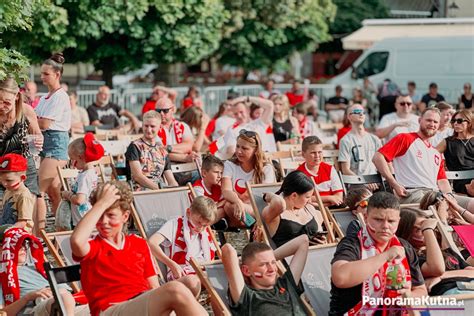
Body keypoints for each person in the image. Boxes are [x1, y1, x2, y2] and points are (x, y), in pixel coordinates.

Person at [70, 181, 208, 316]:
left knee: (188, 283)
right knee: (175, 289)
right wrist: (102, 204)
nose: (104, 221)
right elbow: (76, 241)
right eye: (99, 215)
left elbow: (154, 287)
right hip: (111, 308)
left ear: (125, 216)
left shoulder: (139, 244)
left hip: (141, 303)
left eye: (111, 215)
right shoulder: (92, 246)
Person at [329, 192, 427, 315]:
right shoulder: (352, 243)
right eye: (378, 220)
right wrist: (385, 256)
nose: (385, 226)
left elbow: (421, 290)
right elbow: (340, 277)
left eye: (391, 221)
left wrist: (407, 297)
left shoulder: (404, 247)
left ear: (398, 221)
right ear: (365, 218)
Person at [373, 107, 474, 213]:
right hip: (413, 193)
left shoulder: (435, 152)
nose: (432, 124)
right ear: (419, 120)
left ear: (439, 125)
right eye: (428, 120)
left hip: (435, 194)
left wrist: (450, 196)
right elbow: (378, 157)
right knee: (442, 205)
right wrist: (394, 184)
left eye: (435, 122)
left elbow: (442, 180)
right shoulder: (405, 138)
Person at [0, 227, 85, 316]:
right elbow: (2, 313)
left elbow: (67, 291)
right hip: (35, 309)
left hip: (67, 305)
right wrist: (28, 297)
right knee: (63, 298)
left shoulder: (39, 266)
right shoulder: (2, 274)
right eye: (16, 245)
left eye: (25, 243)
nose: (23, 248)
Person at [222, 235, 310, 315]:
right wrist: (245, 261)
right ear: (246, 270)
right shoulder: (247, 296)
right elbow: (228, 250)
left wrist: (268, 257)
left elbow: (303, 241)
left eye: (273, 262)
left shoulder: (286, 284)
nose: (272, 269)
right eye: (263, 265)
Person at [396, 208, 474, 296]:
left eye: (426, 227)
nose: (424, 231)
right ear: (406, 232)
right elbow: (437, 269)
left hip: (469, 285)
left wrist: (442, 276)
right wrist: (428, 229)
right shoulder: (412, 257)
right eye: (419, 229)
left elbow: (472, 271)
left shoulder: (445, 251)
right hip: (453, 292)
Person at [34, 53, 71, 232]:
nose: (42, 77)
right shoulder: (45, 97)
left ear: (57, 74)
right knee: (53, 193)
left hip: (56, 143)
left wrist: (34, 118)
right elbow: (37, 120)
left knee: (36, 191)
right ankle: (59, 234)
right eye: (41, 73)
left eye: (45, 74)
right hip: (48, 142)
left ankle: (38, 236)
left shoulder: (60, 96)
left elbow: (43, 123)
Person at [148, 196, 216, 283]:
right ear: (188, 212)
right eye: (198, 222)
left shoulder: (205, 231)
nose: (200, 228)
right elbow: (151, 243)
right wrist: (172, 265)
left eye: (205, 225)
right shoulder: (174, 224)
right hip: (181, 274)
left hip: (203, 269)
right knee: (195, 280)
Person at [0, 78, 42, 213]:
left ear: (17, 97)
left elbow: (37, 135)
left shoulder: (27, 111)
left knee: (27, 211)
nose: (1, 106)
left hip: (24, 167)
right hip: (2, 169)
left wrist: (39, 141)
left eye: (6, 102)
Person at [222, 131, 276, 227]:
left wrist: (241, 203)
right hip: (240, 208)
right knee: (229, 206)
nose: (239, 151)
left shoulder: (266, 168)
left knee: (229, 206)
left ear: (255, 150)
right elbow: (226, 190)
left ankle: (253, 228)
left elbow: (264, 197)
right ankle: (252, 228)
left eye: (244, 148)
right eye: (237, 146)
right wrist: (238, 202)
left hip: (259, 208)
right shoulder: (230, 164)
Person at [261, 170, 326, 247]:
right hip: (290, 258)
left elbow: (320, 232)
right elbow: (279, 203)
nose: (310, 200)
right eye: (307, 197)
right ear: (294, 195)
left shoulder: (309, 209)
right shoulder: (276, 214)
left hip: (316, 255)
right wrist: (271, 196)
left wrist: (322, 241)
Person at [209, 96, 276, 160]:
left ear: (248, 111)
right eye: (235, 114)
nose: (239, 116)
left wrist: (246, 98)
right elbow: (231, 151)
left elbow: (270, 105)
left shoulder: (259, 123)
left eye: (241, 112)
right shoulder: (232, 129)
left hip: (267, 160)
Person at [125, 111, 178, 190]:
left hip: (159, 192)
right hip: (140, 192)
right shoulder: (134, 146)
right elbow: (137, 176)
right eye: (146, 126)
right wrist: (159, 190)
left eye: (152, 126)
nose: (149, 130)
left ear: (160, 127)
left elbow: (171, 180)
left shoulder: (162, 151)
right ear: (142, 126)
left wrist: (176, 191)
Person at [61, 133, 103, 227]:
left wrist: (67, 194)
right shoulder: (91, 172)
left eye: (72, 159)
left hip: (83, 220)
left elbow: (79, 200)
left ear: (80, 157)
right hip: (88, 217)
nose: (71, 162)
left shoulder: (85, 176)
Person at [338, 104, 382, 181]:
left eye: (363, 112)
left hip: (376, 181)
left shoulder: (375, 139)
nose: (361, 114)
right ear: (349, 116)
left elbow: (383, 164)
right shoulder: (345, 140)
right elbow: (345, 170)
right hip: (357, 183)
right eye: (357, 111)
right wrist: (363, 181)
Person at [297, 136, 344, 207]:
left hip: (332, 207)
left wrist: (317, 203)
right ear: (303, 154)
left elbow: (338, 198)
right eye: (313, 153)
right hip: (310, 209)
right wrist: (329, 198)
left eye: (320, 152)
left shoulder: (330, 169)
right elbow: (302, 198)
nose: (317, 156)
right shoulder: (299, 173)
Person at [436, 109, 473, 196]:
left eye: (459, 121)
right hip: (459, 181)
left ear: (469, 122)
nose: (456, 123)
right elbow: (432, 156)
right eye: (454, 121)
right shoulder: (447, 142)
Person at [0, 154, 35, 233]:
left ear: (22, 178)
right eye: (2, 180)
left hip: (19, 236)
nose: (4, 184)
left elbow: (22, 222)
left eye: (9, 180)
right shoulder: (8, 191)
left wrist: (6, 231)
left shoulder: (24, 196)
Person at [155, 97, 196, 163]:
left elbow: (188, 146)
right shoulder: (152, 128)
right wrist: (184, 158)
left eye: (165, 110)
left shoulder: (182, 126)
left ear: (173, 109)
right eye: (158, 111)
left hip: (183, 168)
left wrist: (168, 148)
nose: (161, 113)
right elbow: (158, 152)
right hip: (163, 169)